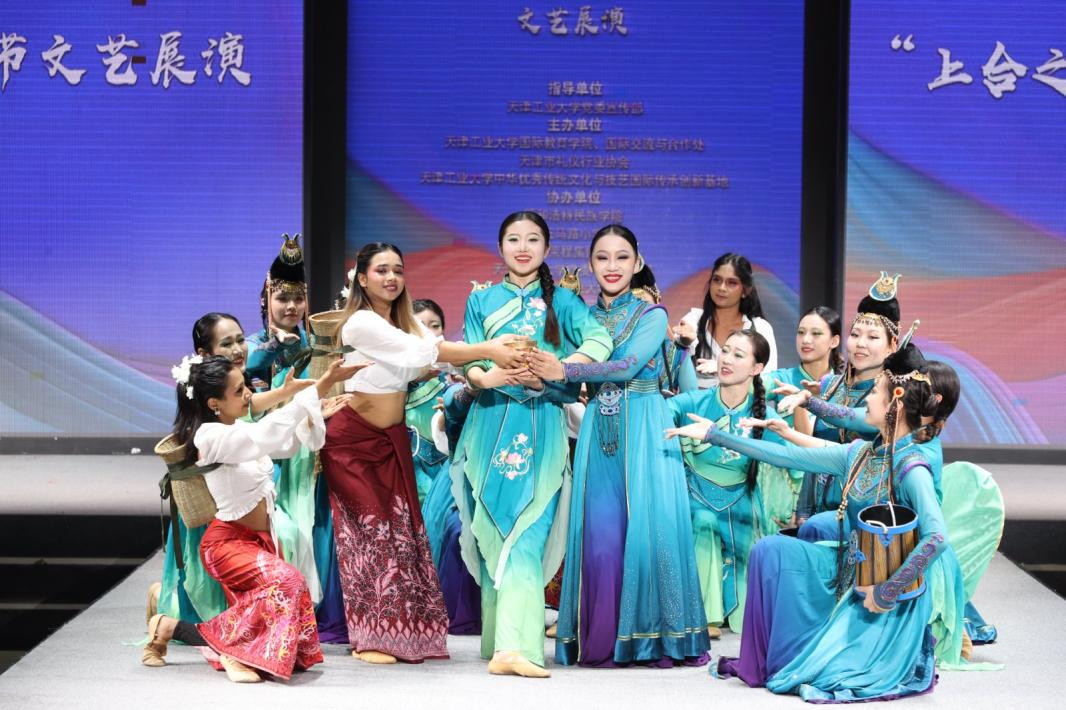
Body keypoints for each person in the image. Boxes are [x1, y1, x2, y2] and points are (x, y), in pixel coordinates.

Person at [667, 344, 952, 702]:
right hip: (850, 567)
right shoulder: (862, 454)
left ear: (895, 404)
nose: (866, 399)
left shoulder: (911, 467)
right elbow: (786, 456)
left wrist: (887, 591)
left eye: (875, 392)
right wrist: (715, 435)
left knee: (828, 672)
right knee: (770, 549)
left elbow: (937, 537)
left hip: (883, 594)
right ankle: (764, 661)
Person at [320, 242, 528, 665]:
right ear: (362, 278)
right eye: (381, 270)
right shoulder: (359, 322)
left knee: (400, 535)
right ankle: (370, 638)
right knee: (370, 537)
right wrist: (489, 349)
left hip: (390, 438)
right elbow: (424, 353)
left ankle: (402, 631)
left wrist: (490, 362)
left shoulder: (404, 320)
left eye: (398, 270)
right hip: (353, 443)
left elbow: (434, 353)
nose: (391, 277)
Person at [527, 225, 708, 668]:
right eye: (602, 258)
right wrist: (534, 379)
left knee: (649, 533)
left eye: (622, 257)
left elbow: (626, 367)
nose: (612, 266)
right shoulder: (584, 320)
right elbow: (568, 388)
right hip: (597, 429)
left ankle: (649, 639)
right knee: (600, 538)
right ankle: (603, 638)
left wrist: (563, 370)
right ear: (590, 265)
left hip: (645, 425)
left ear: (637, 262)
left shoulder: (652, 315)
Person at [450, 211, 614, 677]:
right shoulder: (481, 299)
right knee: (495, 526)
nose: (523, 247)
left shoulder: (564, 301)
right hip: (489, 424)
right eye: (514, 239)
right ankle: (500, 641)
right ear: (500, 246)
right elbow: (470, 358)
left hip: (541, 427)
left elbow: (600, 341)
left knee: (529, 526)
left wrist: (559, 369)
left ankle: (514, 648)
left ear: (547, 248)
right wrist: (488, 376)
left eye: (533, 239)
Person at [143, 354, 361, 682]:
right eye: (238, 390)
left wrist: (314, 414)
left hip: (259, 542)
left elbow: (284, 446)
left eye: (245, 386)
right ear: (214, 403)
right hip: (227, 545)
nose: (248, 394)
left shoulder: (238, 428)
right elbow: (263, 436)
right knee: (289, 583)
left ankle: (185, 632)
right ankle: (195, 636)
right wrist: (321, 385)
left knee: (274, 613)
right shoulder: (209, 436)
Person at [154, 313, 321, 627]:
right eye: (226, 343)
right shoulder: (210, 422)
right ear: (204, 354)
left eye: (241, 340)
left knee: (283, 546)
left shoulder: (237, 398)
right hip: (218, 510)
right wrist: (306, 396)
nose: (237, 349)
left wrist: (294, 398)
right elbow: (258, 425)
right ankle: (189, 624)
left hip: (251, 501)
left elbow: (258, 411)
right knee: (209, 593)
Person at [666, 329, 793, 636]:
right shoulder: (693, 402)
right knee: (704, 521)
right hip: (693, 493)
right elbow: (658, 417)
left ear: (756, 368)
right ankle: (703, 615)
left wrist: (787, 509)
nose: (727, 359)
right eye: (725, 351)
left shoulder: (765, 417)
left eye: (738, 355)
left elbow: (793, 463)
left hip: (740, 500)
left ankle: (728, 610)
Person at [675, 253, 777, 389]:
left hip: (742, 402)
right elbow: (673, 365)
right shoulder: (694, 320)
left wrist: (722, 367)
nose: (721, 288)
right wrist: (685, 342)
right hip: (696, 401)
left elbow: (768, 380)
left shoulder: (760, 328)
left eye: (731, 283)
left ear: (746, 291)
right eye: (717, 280)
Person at [246, 234, 309, 386]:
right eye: (283, 298)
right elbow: (250, 366)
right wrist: (277, 344)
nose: (292, 306)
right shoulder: (252, 344)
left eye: (299, 299)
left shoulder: (313, 343)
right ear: (264, 301)